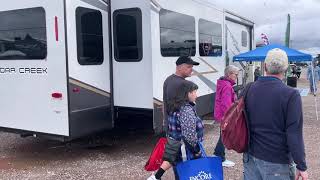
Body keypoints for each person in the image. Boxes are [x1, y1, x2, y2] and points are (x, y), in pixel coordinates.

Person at [243, 48, 308, 180]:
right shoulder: (291, 94)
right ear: (286, 68)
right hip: (276, 160)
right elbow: (294, 133)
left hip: (250, 155)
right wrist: (301, 165)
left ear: (265, 66)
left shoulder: (249, 88)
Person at [148, 56, 199, 180]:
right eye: (189, 67)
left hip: (172, 127)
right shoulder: (184, 84)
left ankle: (157, 176)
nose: (191, 70)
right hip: (181, 132)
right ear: (179, 67)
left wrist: (166, 123)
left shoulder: (169, 80)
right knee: (183, 161)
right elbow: (184, 116)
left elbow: (165, 103)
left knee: (175, 158)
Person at [213, 65, 240, 167]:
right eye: (236, 75)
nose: (237, 77)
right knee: (225, 136)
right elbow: (226, 105)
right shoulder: (227, 86)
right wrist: (229, 118)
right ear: (229, 74)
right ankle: (220, 157)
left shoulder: (223, 84)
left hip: (221, 115)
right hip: (225, 116)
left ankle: (218, 154)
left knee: (223, 135)